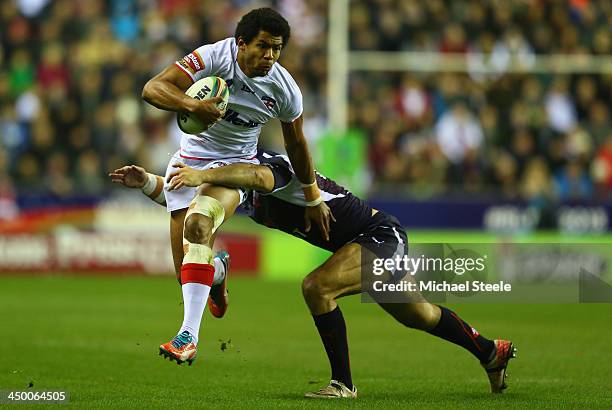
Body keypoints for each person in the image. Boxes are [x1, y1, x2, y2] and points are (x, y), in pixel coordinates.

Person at [110, 150, 516, 398]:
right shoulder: (234, 181)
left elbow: (253, 178)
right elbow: (187, 193)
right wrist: (147, 182)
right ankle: (489, 351)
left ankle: (343, 384)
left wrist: (204, 176)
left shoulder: (273, 168)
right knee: (419, 315)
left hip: (379, 236)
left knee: (317, 287)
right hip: (355, 244)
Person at [140, 8, 334, 365]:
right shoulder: (214, 57)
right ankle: (217, 272)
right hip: (187, 161)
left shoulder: (284, 88)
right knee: (186, 267)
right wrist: (191, 104)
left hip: (233, 169)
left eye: (277, 49)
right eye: (263, 46)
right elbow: (153, 88)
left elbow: (297, 146)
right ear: (241, 43)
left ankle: (188, 338)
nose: (270, 56)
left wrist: (312, 197)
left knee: (197, 224)